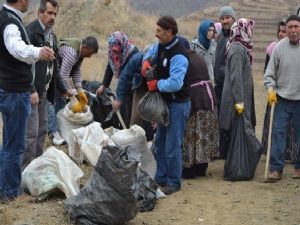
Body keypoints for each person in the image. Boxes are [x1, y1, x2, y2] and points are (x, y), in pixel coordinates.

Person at [0, 0, 55, 202]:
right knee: (15, 147)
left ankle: (5, 187)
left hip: (11, 90)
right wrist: (37, 52)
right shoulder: (10, 23)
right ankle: (11, 193)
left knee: (8, 144)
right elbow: (16, 48)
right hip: (15, 92)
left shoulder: (8, 18)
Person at [142, 16, 191, 195]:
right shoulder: (163, 46)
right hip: (166, 103)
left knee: (172, 145)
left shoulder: (179, 55)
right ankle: (161, 177)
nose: (156, 34)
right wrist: (147, 61)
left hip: (178, 104)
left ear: (170, 32)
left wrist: (157, 85)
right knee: (161, 142)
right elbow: (152, 52)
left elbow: (176, 82)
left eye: (159, 31)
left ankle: (173, 181)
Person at [21, 0, 71, 170]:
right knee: (30, 134)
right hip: (32, 92)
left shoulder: (52, 36)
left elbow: (54, 66)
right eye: (49, 13)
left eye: (55, 14)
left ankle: (36, 167)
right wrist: (32, 89)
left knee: (42, 130)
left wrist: (64, 89)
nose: (52, 17)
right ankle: (25, 171)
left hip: (44, 91)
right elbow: (24, 65)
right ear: (40, 13)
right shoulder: (30, 32)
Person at [264, 15, 300, 181]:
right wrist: (271, 89)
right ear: (285, 29)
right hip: (282, 99)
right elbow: (269, 74)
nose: (293, 31)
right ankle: (276, 169)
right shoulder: (279, 48)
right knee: (278, 134)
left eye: (296, 27)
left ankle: (298, 167)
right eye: (290, 27)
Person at [47, 36, 99, 142]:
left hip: (58, 76)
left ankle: (59, 126)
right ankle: (53, 132)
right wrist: (72, 97)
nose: (90, 56)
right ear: (85, 47)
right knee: (51, 102)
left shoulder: (80, 53)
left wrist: (79, 90)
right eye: (90, 52)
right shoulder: (71, 53)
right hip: (51, 75)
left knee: (61, 100)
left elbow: (76, 72)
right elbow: (63, 76)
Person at [181, 38, 219, 179]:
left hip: (196, 101)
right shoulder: (197, 56)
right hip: (208, 100)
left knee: (192, 136)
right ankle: (201, 168)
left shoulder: (184, 60)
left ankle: (189, 170)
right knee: (204, 134)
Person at [219, 18, 256, 152]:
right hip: (236, 101)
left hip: (241, 97)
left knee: (239, 133)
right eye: (249, 28)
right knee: (236, 132)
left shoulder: (242, 47)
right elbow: (236, 78)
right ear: (243, 30)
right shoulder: (236, 49)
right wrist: (240, 101)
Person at [96, 31, 138, 128]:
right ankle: (124, 131)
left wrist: (119, 98)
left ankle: (132, 132)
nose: (115, 53)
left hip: (134, 86)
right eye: (113, 50)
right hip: (124, 85)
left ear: (122, 44)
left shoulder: (132, 53)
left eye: (117, 50)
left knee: (132, 112)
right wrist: (103, 85)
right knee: (122, 111)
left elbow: (129, 78)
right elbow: (110, 67)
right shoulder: (112, 52)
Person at [214, 6, 235, 159]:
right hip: (220, 84)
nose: (225, 21)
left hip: (232, 84)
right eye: (222, 18)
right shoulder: (220, 37)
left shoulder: (237, 36)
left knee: (232, 118)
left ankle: (233, 150)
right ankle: (223, 151)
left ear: (233, 18)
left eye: (227, 17)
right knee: (221, 117)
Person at [191, 19, 216, 85]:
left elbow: (213, 63)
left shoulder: (213, 45)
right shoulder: (194, 45)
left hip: (210, 81)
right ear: (203, 30)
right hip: (198, 82)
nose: (211, 33)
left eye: (213, 30)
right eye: (209, 30)